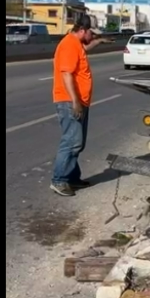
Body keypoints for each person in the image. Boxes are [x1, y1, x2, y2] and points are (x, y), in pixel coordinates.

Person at [50, 14, 103, 197]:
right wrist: (75, 101)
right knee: (71, 142)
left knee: (77, 142)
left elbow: (84, 49)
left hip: (77, 101)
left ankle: (72, 178)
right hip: (69, 101)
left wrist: (99, 41)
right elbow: (67, 75)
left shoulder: (76, 44)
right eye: (91, 33)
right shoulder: (69, 45)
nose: (92, 37)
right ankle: (59, 180)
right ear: (82, 30)